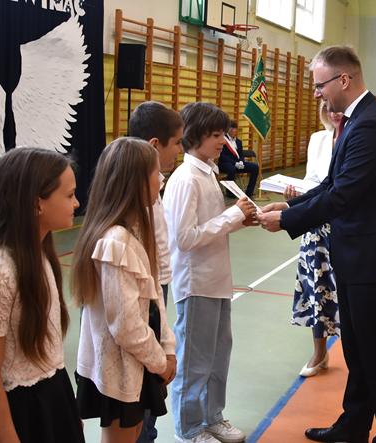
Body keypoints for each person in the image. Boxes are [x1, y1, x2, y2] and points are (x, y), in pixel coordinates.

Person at [258, 45, 376, 443]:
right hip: (357, 255)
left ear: (344, 79)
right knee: (358, 350)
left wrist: (287, 221)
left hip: (373, 259)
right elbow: (331, 184)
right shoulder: (358, 119)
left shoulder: (370, 126)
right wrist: (290, 205)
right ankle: (354, 425)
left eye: (320, 85)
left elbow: (343, 196)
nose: (317, 93)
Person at [0, 148, 84, 442]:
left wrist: (67, 411)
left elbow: (49, 352)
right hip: (17, 413)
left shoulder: (40, 255)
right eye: (69, 195)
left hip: (51, 396)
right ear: (37, 203)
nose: (77, 203)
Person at [163, 102, 258, 443]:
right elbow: (184, 238)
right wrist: (232, 217)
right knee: (195, 361)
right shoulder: (185, 178)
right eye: (216, 135)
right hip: (196, 283)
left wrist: (239, 220)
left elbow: (211, 226)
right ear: (195, 136)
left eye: (223, 134)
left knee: (218, 356)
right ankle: (189, 428)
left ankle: (212, 417)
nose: (223, 141)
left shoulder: (207, 173)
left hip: (217, 280)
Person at [73, 137, 177, 443]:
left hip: (137, 363)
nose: (161, 179)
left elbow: (154, 297)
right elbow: (126, 326)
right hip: (122, 368)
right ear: (135, 182)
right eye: (156, 173)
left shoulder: (134, 231)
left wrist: (168, 348)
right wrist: (160, 362)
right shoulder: (116, 242)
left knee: (132, 433)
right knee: (122, 435)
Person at [128, 100, 184, 443]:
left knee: (149, 397)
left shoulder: (154, 187)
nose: (179, 150)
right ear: (153, 145)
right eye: (176, 142)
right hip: (144, 294)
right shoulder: (138, 198)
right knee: (141, 393)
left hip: (155, 290)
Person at [284, 100, 342, 377]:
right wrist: (293, 198)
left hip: (343, 226)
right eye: (328, 108)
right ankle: (320, 351)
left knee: (345, 289)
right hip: (315, 225)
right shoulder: (318, 138)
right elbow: (311, 180)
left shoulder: (356, 136)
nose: (334, 113)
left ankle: (356, 351)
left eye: (338, 108)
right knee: (316, 286)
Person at [218, 120, 260, 197]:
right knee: (231, 169)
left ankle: (249, 192)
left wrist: (241, 161)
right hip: (225, 163)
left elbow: (240, 154)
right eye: (231, 128)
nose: (233, 130)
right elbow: (222, 156)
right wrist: (235, 163)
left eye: (235, 128)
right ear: (228, 129)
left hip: (237, 164)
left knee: (255, 167)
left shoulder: (238, 142)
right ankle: (230, 192)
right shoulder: (223, 140)